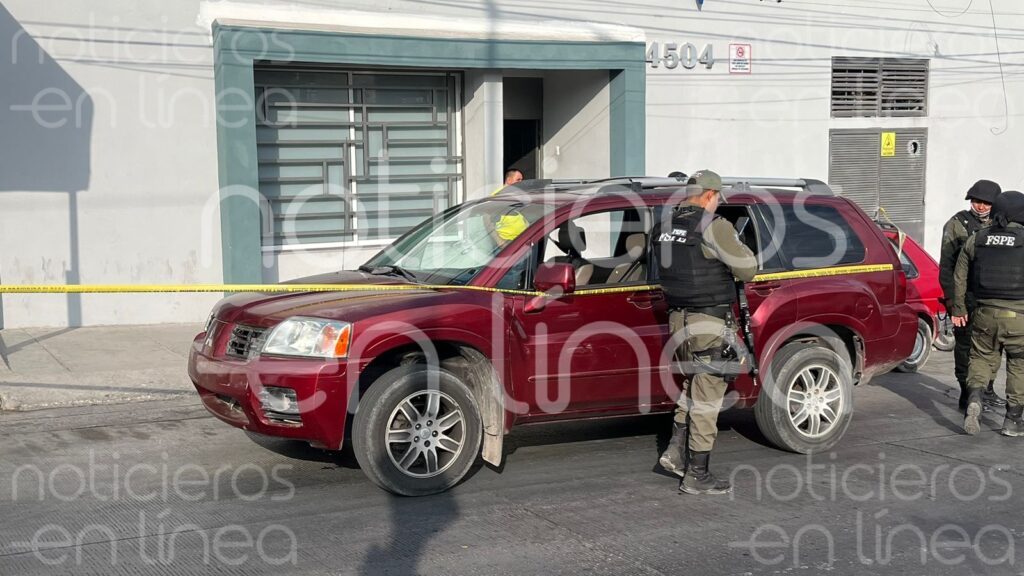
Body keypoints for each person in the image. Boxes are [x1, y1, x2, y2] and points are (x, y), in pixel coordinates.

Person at [653, 170, 758, 495]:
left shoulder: (663, 228)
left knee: (694, 385)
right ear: (710, 195)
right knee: (707, 397)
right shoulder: (715, 227)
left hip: (677, 323)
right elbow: (748, 270)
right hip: (708, 322)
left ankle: (674, 452)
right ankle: (697, 474)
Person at [953, 190, 1024, 436]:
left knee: (981, 359)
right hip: (1020, 318)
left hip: (984, 313)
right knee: (1019, 365)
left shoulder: (978, 237)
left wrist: (959, 308)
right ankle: (1012, 422)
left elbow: (959, 274)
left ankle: (974, 401)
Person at [939, 179, 1004, 412]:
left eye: (986, 203)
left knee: (993, 347)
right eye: (977, 201)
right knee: (965, 346)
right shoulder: (957, 224)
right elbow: (946, 266)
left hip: (991, 298)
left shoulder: (1002, 226)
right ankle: (967, 393)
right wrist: (952, 301)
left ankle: (985, 390)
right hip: (964, 297)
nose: (981, 206)